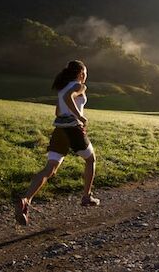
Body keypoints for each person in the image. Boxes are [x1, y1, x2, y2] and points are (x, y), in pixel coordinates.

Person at [15, 60, 99, 225]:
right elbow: (69, 99)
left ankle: (26, 199)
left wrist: (70, 113)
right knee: (90, 159)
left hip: (59, 129)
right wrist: (79, 116)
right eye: (86, 73)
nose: (86, 77)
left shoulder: (62, 88)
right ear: (81, 73)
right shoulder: (78, 86)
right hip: (73, 129)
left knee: (50, 168)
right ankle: (86, 196)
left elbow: (58, 110)